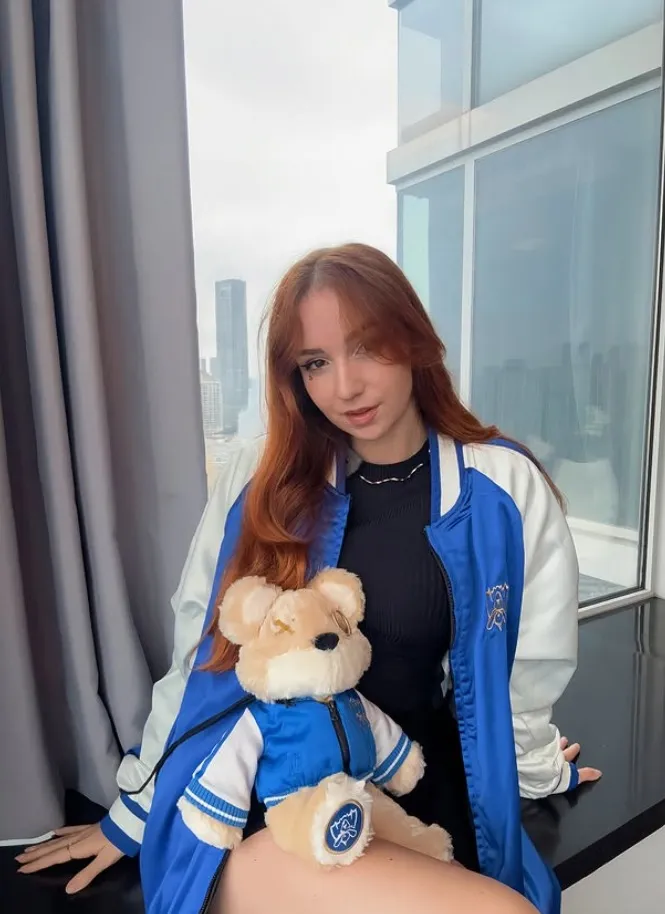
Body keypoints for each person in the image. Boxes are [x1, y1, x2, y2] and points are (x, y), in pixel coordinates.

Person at [17, 243, 601, 914]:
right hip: (275, 798)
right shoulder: (261, 480)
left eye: (367, 348)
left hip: (410, 781)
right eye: (315, 363)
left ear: (412, 341)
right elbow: (202, 656)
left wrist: (535, 768)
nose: (344, 387)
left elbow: (524, 665)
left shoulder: (501, 485)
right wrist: (135, 813)